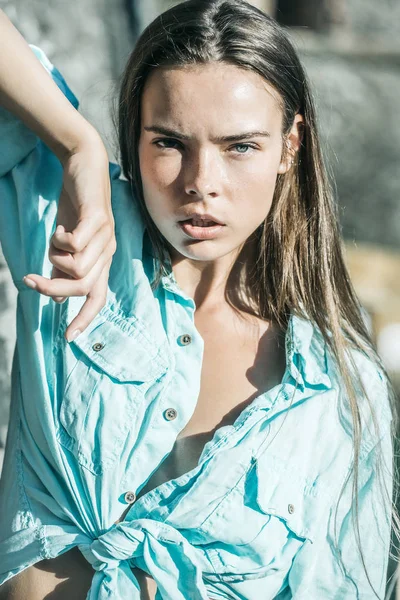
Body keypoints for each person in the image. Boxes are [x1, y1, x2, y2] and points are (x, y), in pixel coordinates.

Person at [0, 0, 397, 598]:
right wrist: (77, 143)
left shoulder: (341, 389)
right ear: (134, 135)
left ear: (290, 147)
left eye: (240, 146)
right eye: (168, 142)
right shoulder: (73, 228)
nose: (200, 183)